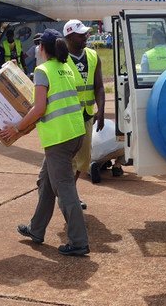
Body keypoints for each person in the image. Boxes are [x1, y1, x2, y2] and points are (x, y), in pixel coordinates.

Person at [0, 29, 90, 257]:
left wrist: (17, 128)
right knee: (46, 182)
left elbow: (38, 108)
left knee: (65, 188)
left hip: (58, 138)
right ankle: (36, 229)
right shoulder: (67, 67)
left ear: (42, 49)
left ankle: (79, 241)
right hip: (75, 132)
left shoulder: (42, 70)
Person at [63, 20, 106, 198]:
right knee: (68, 160)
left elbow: (99, 87)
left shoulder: (93, 56)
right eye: (81, 35)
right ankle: (70, 196)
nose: (86, 37)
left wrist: (101, 111)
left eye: (86, 34)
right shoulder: (61, 58)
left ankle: (69, 194)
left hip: (87, 115)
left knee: (84, 159)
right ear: (69, 37)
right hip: (67, 117)